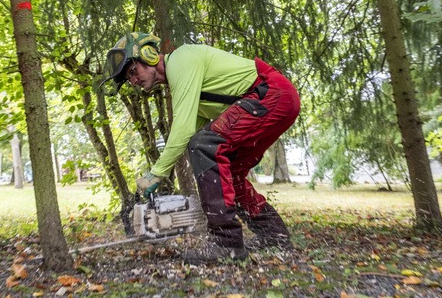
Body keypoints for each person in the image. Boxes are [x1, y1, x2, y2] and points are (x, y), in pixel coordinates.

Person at [101, 32, 300, 263]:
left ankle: (226, 244)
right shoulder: (182, 83)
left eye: (133, 71)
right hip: (275, 99)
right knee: (227, 172)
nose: (133, 81)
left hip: (271, 93)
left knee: (204, 146)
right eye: (129, 79)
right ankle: (273, 235)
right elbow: (190, 131)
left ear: (149, 54)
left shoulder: (181, 60)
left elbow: (186, 131)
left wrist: (157, 173)